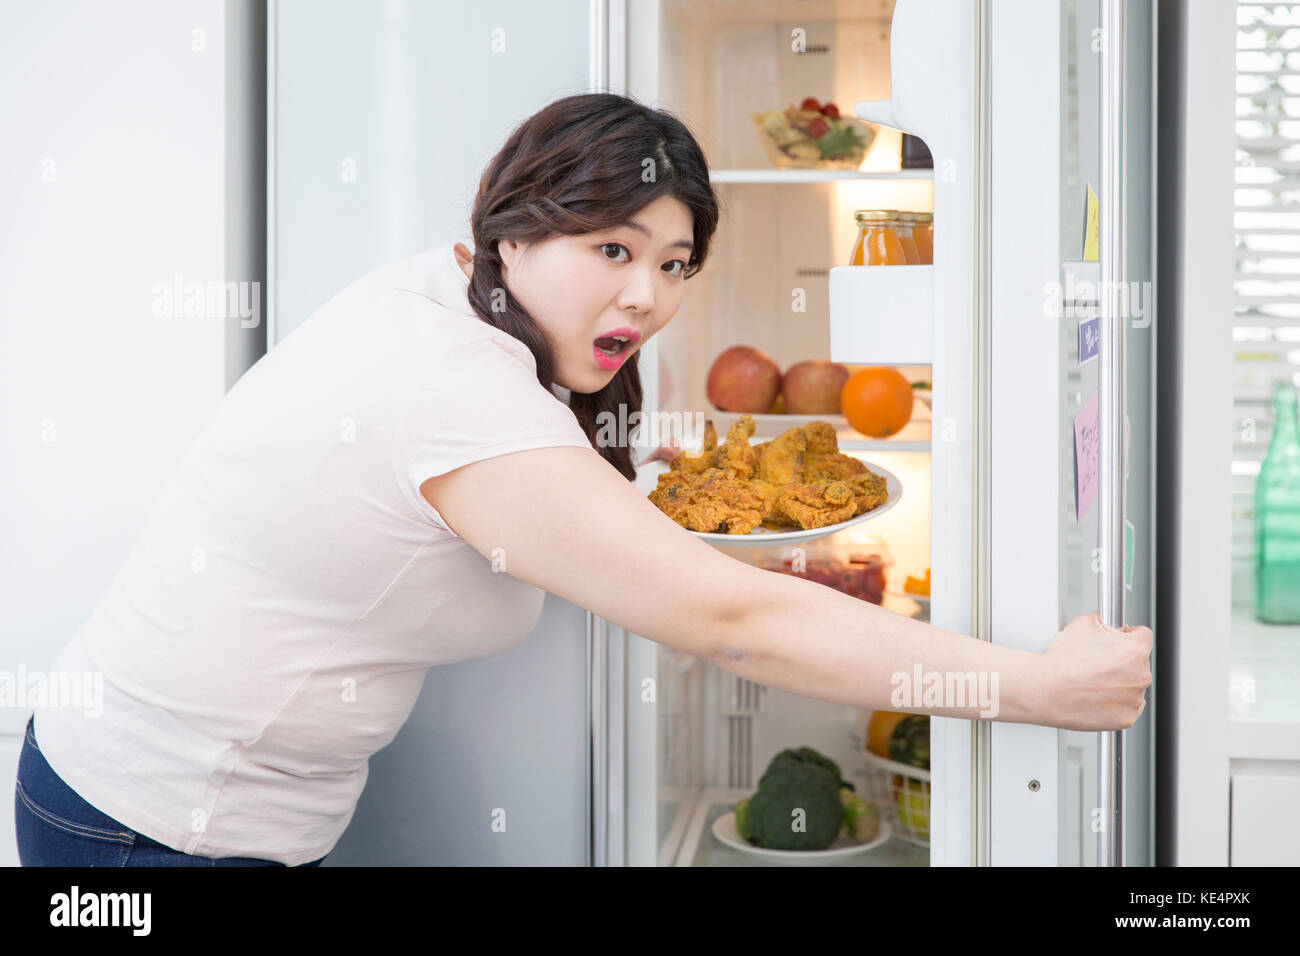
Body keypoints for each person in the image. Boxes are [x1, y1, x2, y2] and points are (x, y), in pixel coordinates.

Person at [15, 92, 1151, 868]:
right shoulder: (449, 382)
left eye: (671, 265)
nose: (647, 299)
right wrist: (1036, 688)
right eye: (610, 249)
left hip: (193, 806)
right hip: (148, 826)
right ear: (512, 236)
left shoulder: (447, 293)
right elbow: (733, 622)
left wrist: (620, 466)